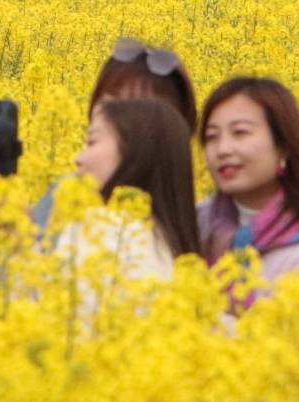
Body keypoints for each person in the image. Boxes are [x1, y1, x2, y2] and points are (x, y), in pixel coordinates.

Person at [197, 76, 299, 313]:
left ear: (283, 146)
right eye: (211, 137)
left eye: (240, 133)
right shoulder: (194, 225)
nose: (222, 149)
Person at [29, 37, 199, 232]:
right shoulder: (63, 196)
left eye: (134, 109)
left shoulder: (202, 228)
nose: (114, 116)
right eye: (109, 103)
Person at [54, 96, 205, 284]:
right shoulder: (178, 254)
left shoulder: (98, 229)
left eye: (92, 142)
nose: (79, 159)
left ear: (136, 151)